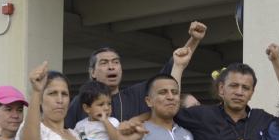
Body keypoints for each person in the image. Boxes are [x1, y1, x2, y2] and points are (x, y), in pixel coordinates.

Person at [64, 22, 207, 126]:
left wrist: (194, 40)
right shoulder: (81, 101)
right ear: (92, 72)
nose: (111, 67)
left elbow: (172, 70)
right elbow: (62, 133)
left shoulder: (136, 94)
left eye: (116, 62)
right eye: (104, 63)